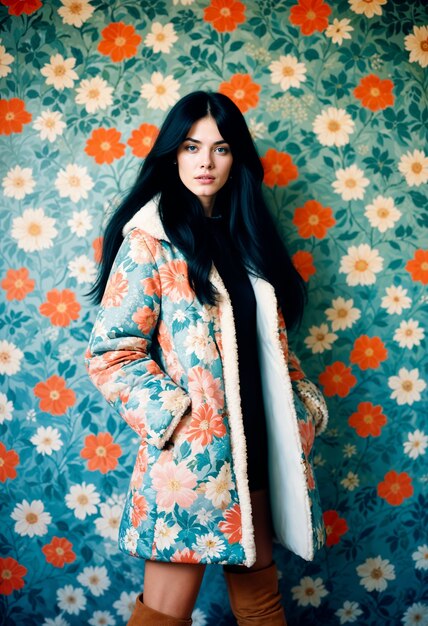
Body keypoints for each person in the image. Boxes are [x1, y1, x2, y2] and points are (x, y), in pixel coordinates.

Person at [85, 91, 329, 626]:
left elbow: (274, 353)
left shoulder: (249, 240)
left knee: (262, 606)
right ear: (172, 154)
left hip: (260, 456)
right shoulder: (150, 240)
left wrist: (303, 410)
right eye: (192, 147)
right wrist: (180, 419)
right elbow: (111, 354)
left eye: (220, 149)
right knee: (164, 616)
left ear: (236, 158)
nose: (205, 162)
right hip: (190, 467)